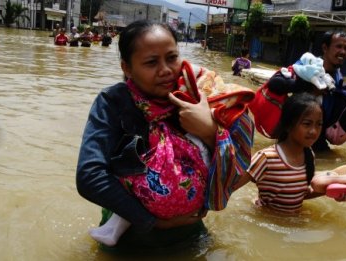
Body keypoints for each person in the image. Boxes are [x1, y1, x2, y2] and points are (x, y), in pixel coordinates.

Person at [76, 20, 254, 253]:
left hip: (190, 236)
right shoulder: (114, 102)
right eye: (151, 62)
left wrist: (210, 132)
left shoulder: (196, 96)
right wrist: (152, 221)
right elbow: (89, 176)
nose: (166, 70)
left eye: (172, 58)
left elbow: (238, 168)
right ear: (127, 68)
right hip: (131, 242)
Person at [234, 92, 346, 213]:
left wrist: (332, 191)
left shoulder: (308, 155)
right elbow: (230, 188)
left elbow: (299, 195)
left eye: (319, 124)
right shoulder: (265, 158)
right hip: (267, 219)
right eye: (307, 124)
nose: (314, 131)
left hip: (294, 220)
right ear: (288, 125)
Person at [312, 30, 346, 151]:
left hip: (320, 138)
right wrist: (308, 89)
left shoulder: (339, 76)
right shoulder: (309, 67)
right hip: (298, 139)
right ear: (325, 48)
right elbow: (276, 84)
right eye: (338, 46)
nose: (343, 52)